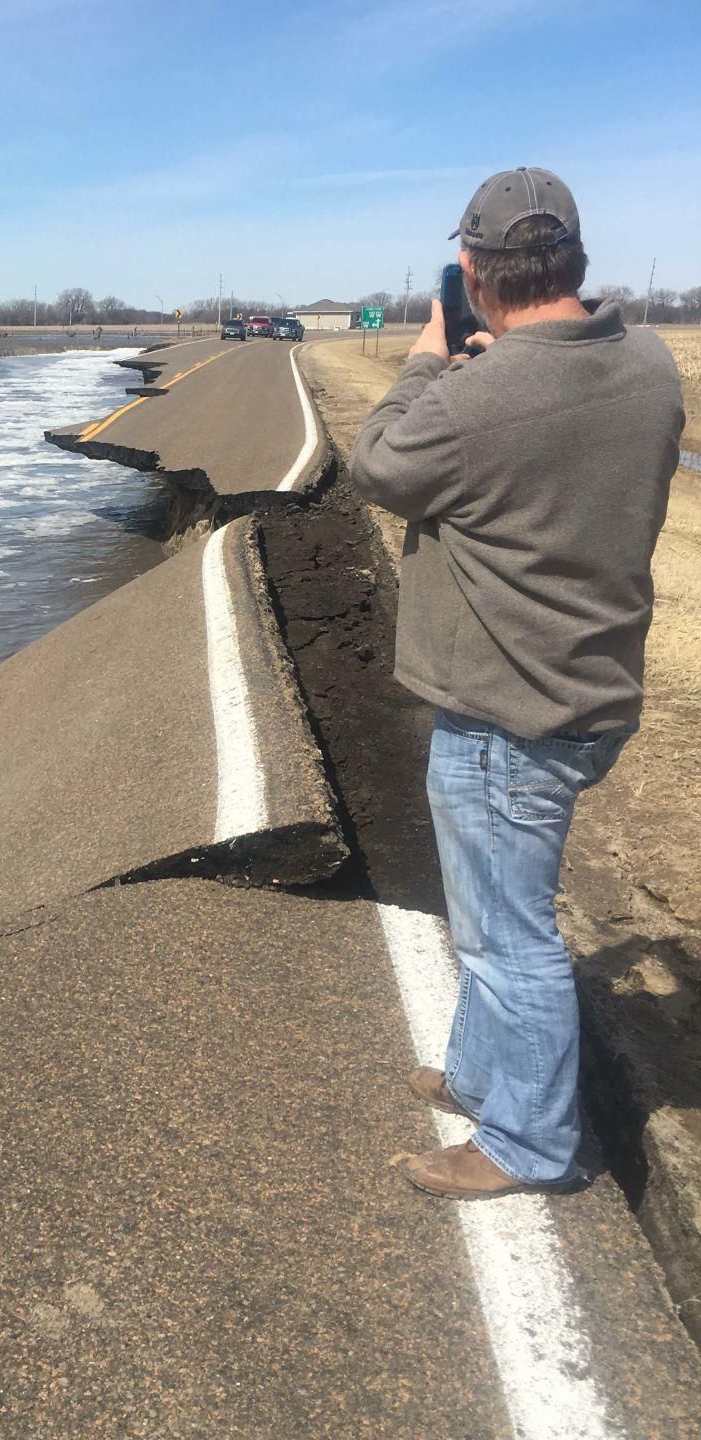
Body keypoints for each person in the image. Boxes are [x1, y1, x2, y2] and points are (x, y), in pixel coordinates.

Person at [349, 168, 684, 1199]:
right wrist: (489, 371)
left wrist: (426, 361)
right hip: (588, 690)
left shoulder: (476, 396)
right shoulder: (650, 364)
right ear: (575, 260)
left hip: (511, 713)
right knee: (497, 912)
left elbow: (377, 463)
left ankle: (527, 1146)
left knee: (509, 936)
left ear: (472, 271)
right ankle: (479, 1076)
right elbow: (545, 436)